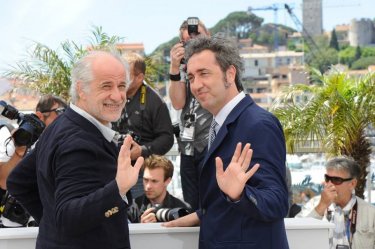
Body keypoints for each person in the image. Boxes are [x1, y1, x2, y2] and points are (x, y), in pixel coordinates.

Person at [6, 50, 143, 249]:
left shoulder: (61, 123)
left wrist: (51, 226)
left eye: (122, 86)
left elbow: (18, 181)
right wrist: (118, 189)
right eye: (106, 86)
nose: (117, 95)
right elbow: (68, 218)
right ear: (81, 89)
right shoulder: (80, 142)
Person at [164, 36, 289, 249]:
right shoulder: (219, 123)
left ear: (230, 74)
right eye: (191, 77)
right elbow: (220, 195)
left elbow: (277, 202)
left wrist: (239, 194)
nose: (196, 85)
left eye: (204, 74)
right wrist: (200, 214)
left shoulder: (258, 125)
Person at [0, 94, 67, 227]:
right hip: (13, 229)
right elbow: (4, 182)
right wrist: (19, 150)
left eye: (66, 113)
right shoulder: (14, 137)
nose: (64, 118)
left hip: (50, 224)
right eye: (59, 112)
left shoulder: (65, 143)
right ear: (40, 115)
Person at [113, 52, 174, 199]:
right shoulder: (114, 95)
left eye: (126, 76)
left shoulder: (155, 101)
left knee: (140, 216)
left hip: (141, 174)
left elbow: (167, 138)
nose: (121, 80)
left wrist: (141, 150)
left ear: (140, 77)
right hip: (113, 170)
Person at [168, 18, 212, 211]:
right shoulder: (181, 68)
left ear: (208, 37)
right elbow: (178, 103)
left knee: (213, 203)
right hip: (187, 147)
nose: (194, 44)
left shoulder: (220, 63)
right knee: (192, 206)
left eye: (198, 37)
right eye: (188, 41)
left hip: (212, 143)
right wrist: (174, 68)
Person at [296, 156, 375, 249]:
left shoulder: (370, 213)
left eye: (336, 180)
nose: (329, 184)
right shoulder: (313, 204)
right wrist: (322, 205)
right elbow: (296, 236)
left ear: (352, 184)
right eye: (327, 178)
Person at [127, 154, 190, 223]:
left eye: (154, 181)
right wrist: (141, 227)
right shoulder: (132, 208)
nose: (148, 186)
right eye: (145, 180)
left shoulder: (183, 209)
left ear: (167, 181)